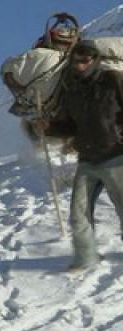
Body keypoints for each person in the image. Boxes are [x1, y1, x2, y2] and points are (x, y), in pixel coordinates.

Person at [33, 40, 123, 271]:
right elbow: (70, 126)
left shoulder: (113, 80)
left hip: (115, 154)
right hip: (87, 159)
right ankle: (86, 258)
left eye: (86, 60)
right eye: (76, 60)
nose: (80, 65)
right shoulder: (71, 92)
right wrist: (49, 127)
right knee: (78, 212)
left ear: (95, 60)